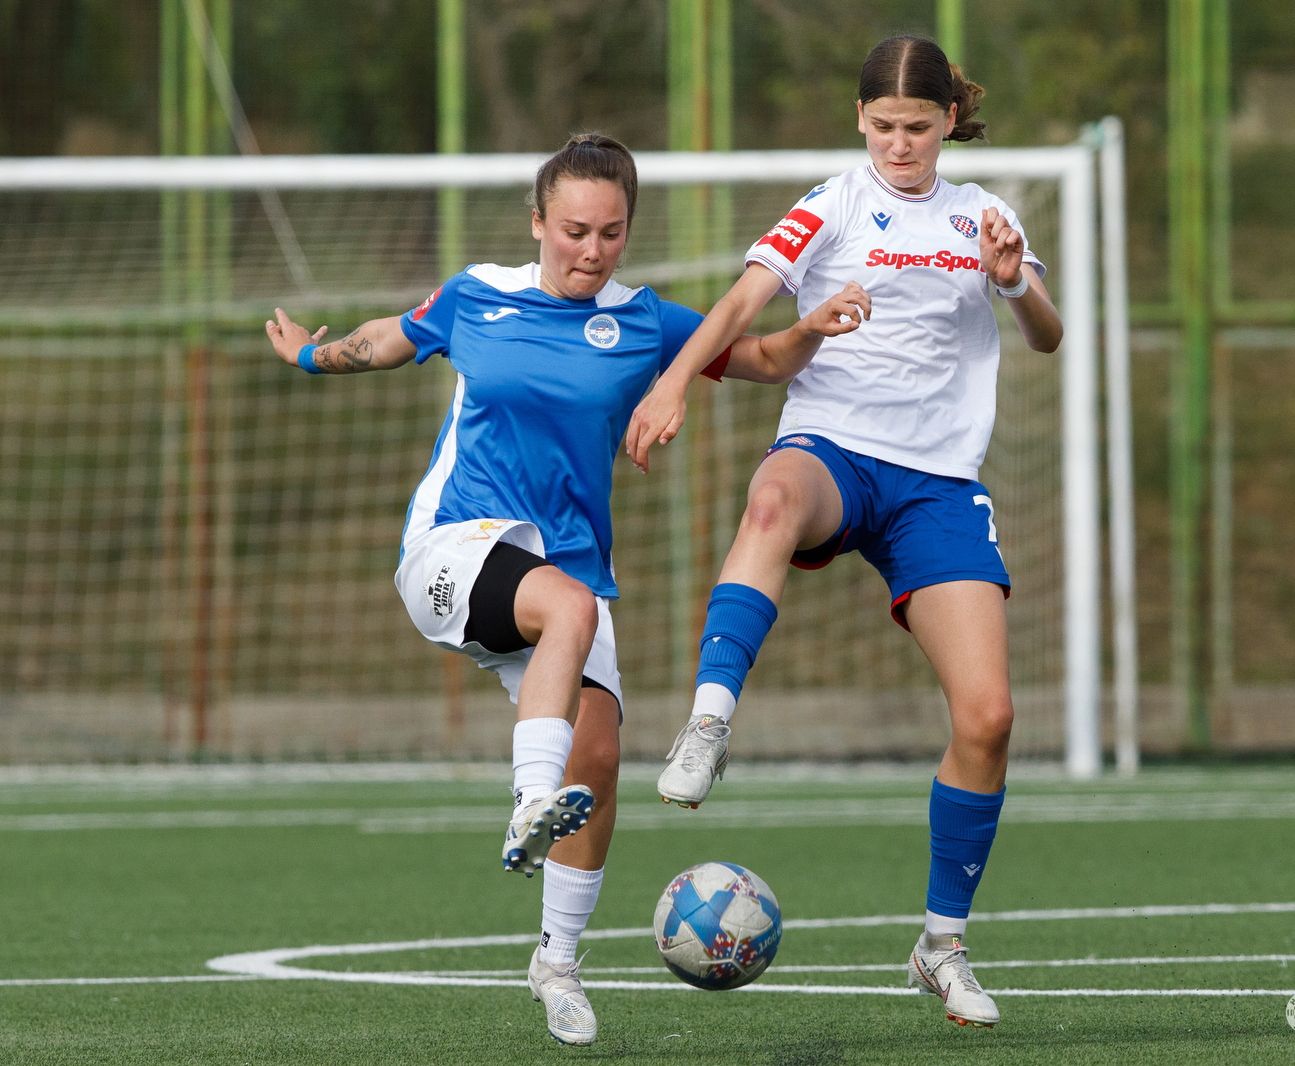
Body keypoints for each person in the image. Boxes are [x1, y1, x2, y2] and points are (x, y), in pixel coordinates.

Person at [264, 134, 871, 1046]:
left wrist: (810, 328)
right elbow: (389, 338)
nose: (592, 251)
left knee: (601, 755)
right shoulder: (477, 295)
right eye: (575, 231)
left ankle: (556, 963)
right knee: (569, 614)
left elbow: (761, 359)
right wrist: (315, 358)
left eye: (612, 233)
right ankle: (526, 803)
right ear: (538, 223)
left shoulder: (646, 322)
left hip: (567, 569)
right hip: (454, 548)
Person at [625, 37, 1063, 1029]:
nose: (899, 146)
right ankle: (708, 720)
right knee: (772, 500)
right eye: (882, 128)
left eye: (917, 127)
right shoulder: (831, 204)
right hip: (835, 446)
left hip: (938, 484)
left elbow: (1046, 333)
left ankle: (940, 944)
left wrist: (1010, 279)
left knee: (988, 716)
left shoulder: (981, 214)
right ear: (858, 121)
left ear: (949, 120)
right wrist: (670, 383)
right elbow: (741, 302)